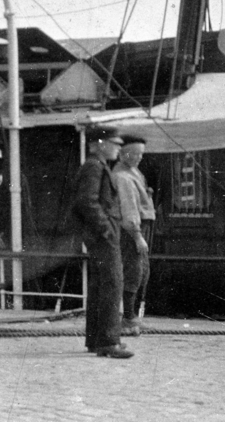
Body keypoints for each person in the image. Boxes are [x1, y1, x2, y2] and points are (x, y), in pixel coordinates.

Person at [72, 126, 132, 359]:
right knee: (112, 284)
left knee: (100, 286)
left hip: (100, 235)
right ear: (99, 144)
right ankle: (108, 341)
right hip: (103, 236)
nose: (118, 148)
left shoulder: (96, 165)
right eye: (114, 144)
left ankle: (96, 340)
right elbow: (86, 201)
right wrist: (106, 229)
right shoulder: (94, 167)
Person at [114, 136, 152, 324]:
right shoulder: (123, 177)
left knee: (142, 271)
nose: (138, 157)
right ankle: (128, 316)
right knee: (134, 271)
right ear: (122, 153)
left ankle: (132, 315)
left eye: (141, 154)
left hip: (140, 227)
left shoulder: (134, 172)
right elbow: (128, 209)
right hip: (131, 229)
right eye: (134, 153)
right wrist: (137, 236)